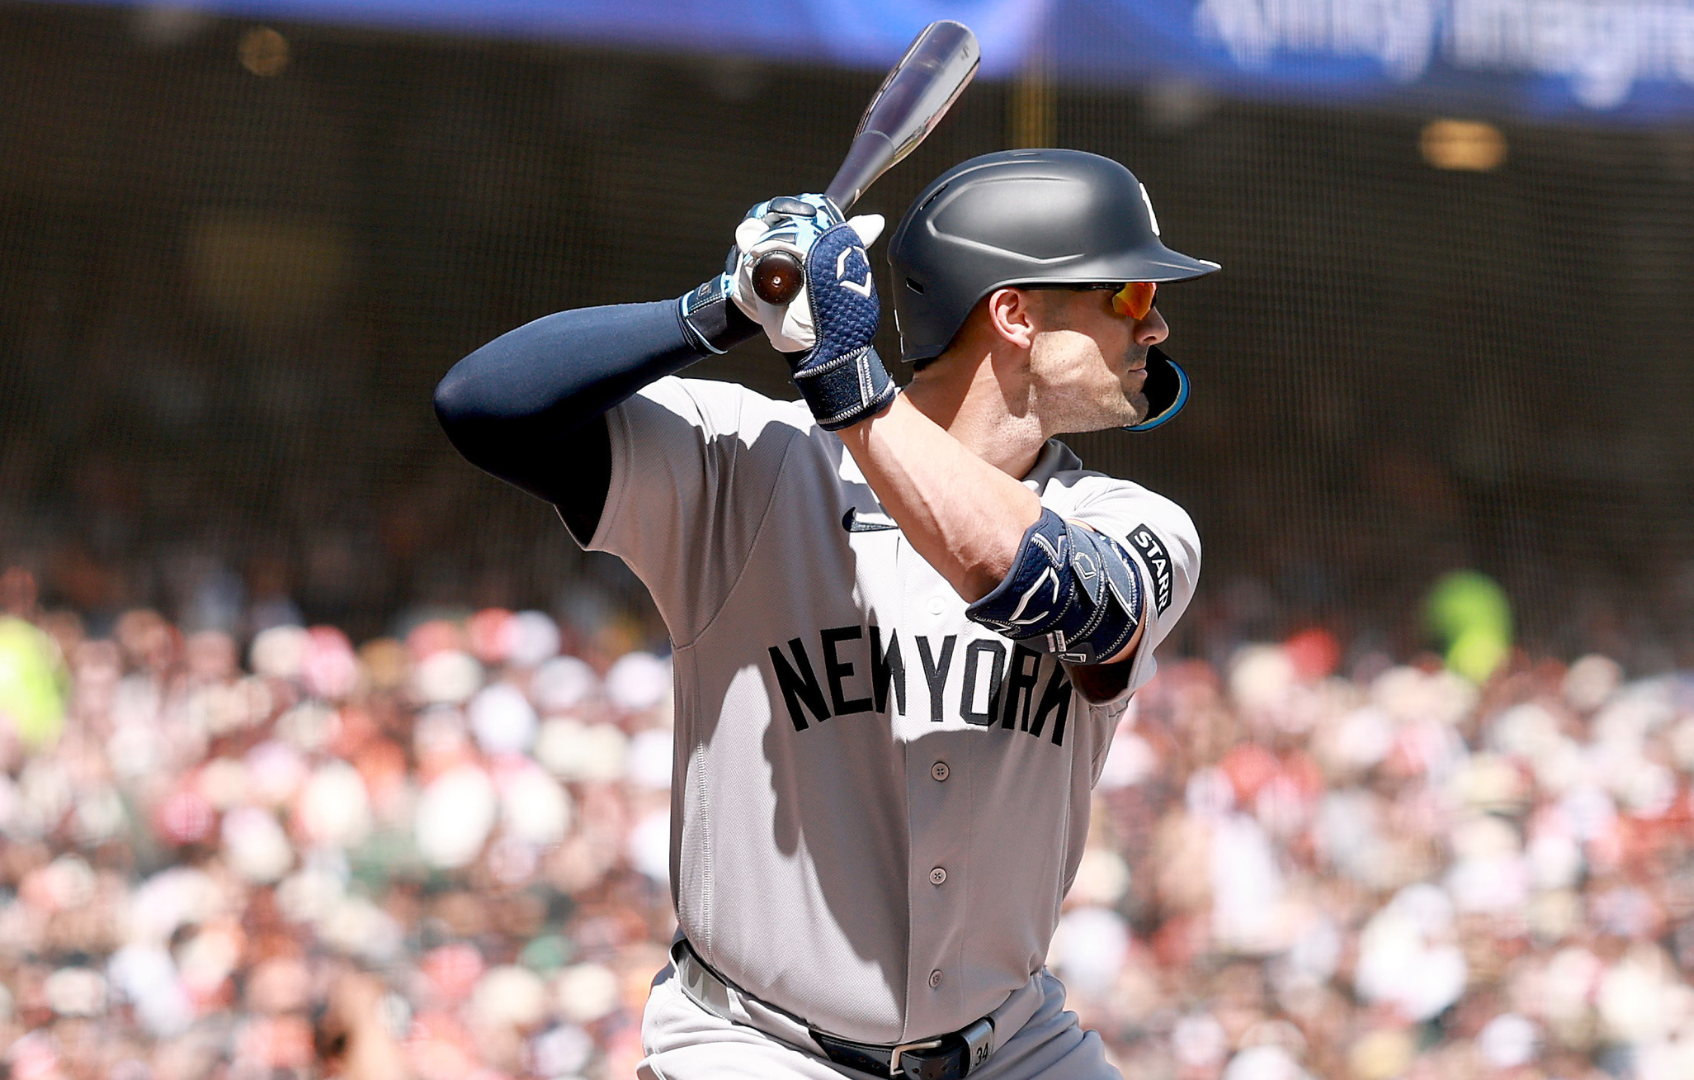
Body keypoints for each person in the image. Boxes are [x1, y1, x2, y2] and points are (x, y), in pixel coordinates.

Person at [435, 148, 1218, 1080]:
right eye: (1125, 294)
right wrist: (718, 307)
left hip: (1015, 1048)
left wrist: (851, 385)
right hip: (753, 1050)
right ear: (1013, 312)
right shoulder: (752, 462)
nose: (1157, 321)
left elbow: (1065, 598)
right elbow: (483, 407)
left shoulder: (1132, 522)